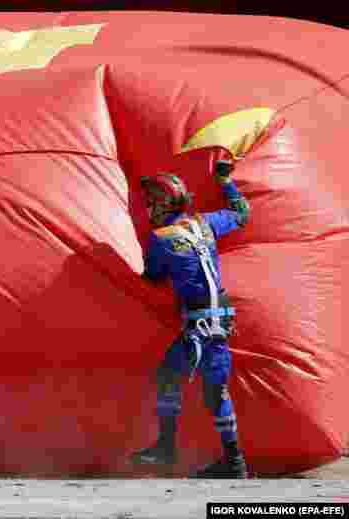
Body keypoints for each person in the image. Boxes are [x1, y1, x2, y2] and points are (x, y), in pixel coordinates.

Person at [129, 156, 252, 478]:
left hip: (199, 323)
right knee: (216, 391)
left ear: (162, 203)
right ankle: (235, 462)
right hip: (221, 321)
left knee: (167, 378)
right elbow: (242, 213)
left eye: (150, 202)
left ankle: (166, 449)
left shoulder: (160, 239)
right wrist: (225, 181)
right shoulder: (206, 222)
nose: (147, 208)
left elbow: (153, 278)